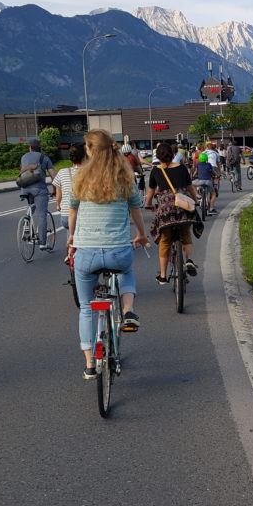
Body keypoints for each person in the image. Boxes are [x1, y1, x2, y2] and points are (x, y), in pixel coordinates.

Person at [66, 129, 149, 380]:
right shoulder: (124, 177)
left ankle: (90, 364)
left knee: (86, 308)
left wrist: (71, 238)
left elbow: (73, 212)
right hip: (117, 250)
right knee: (126, 269)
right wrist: (141, 235)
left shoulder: (79, 178)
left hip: (86, 253)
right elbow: (136, 210)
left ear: (89, 150)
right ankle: (128, 310)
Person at [145, 142, 199, 284]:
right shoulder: (182, 168)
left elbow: (151, 191)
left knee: (165, 241)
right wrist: (196, 201)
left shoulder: (156, 171)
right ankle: (188, 260)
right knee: (186, 233)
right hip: (183, 207)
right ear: (173, 154)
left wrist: (148, 204)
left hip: (166, 211)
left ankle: (163, 275)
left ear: (157, 156)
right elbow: (190, 187)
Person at [20, 139, 55, 250]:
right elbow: (53, 176)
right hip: (39, 190)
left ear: (29, 147)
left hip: (25, 188)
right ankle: (43, 243)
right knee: (42, 215)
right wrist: (55, 189)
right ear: (40, 148)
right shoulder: (44, 158)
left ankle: (27, 219)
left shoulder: (24, 157)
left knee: (31, 206)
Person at [53, 144, 87, 257]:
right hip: (84, 215)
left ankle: (71, 253)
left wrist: (58, 205)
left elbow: (58, 195)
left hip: (65, 215)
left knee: (69, 226)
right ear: (85, 157)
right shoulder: (89, 173)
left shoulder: (62, 172)